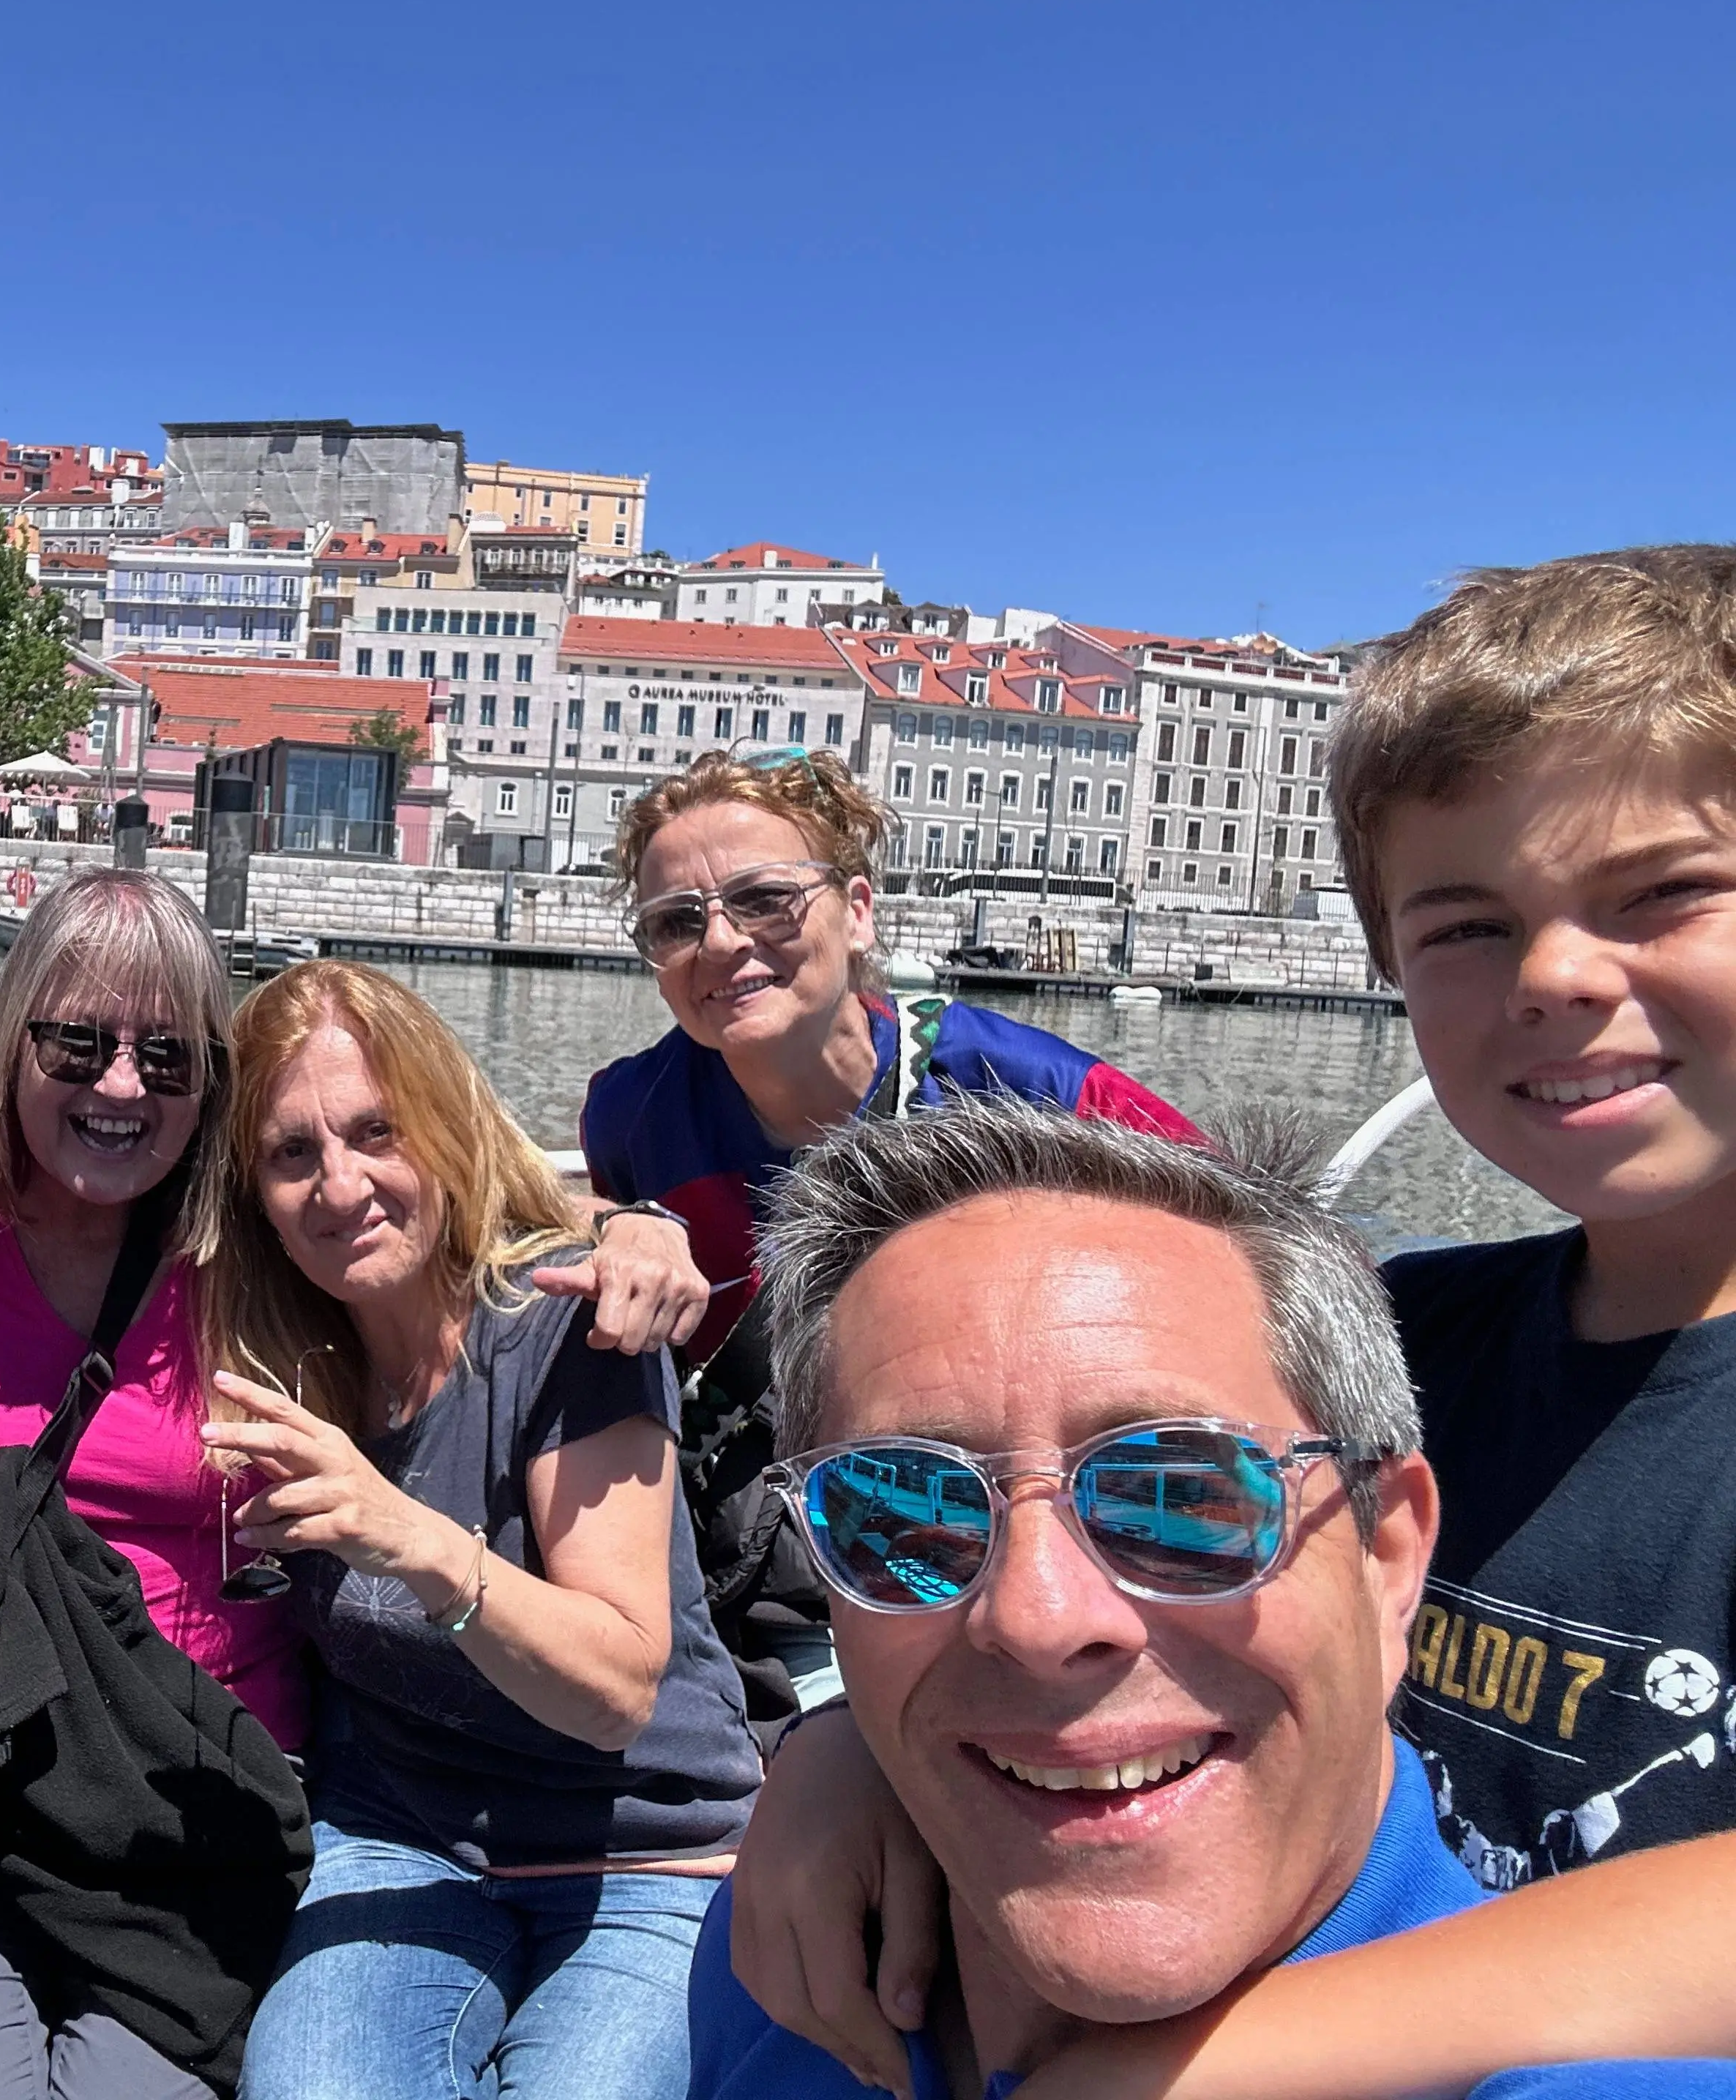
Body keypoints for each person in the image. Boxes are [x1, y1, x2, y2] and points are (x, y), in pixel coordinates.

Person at [733, 547, 1736, 2098]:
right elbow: (1041, 1602)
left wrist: (1211, 2065)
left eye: (1664, 891)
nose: (1554, 974)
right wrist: (846, 1753)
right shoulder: (1426, 1333)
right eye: (1466, 925)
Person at [0, 871, 699, 2099]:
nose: (120, 1086)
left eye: (168, 1059)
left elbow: (458, 1222)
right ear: (12, 1043)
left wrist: (644, 1228)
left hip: (222, 1793)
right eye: (75, 1042)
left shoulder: (309, 1269)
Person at [684, 1096, 1731, 2100]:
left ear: (1389, 1559)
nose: (1038, 1618)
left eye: (1180, 1496)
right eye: (903, 1512)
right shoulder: (789, 1955)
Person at [203, 960, 761, 2100]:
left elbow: (614, 1692)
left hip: (647, 1853)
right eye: (292, 1154)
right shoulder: (286, 1357)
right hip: (405, 1838)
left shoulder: (564, 1327)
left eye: (376, 1133)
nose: (341, 1184)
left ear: (446, 1130)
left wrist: (404, 1534)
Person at [580, 747, 1194, 1734]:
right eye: (676, 924)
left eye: (766, 900)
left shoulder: (1028, 1090)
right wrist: (615, 1225)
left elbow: (1232, 1245)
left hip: (999, 1532)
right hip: (774, 1561)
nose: (723, 943)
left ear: (856, 910)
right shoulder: (631, 1114)